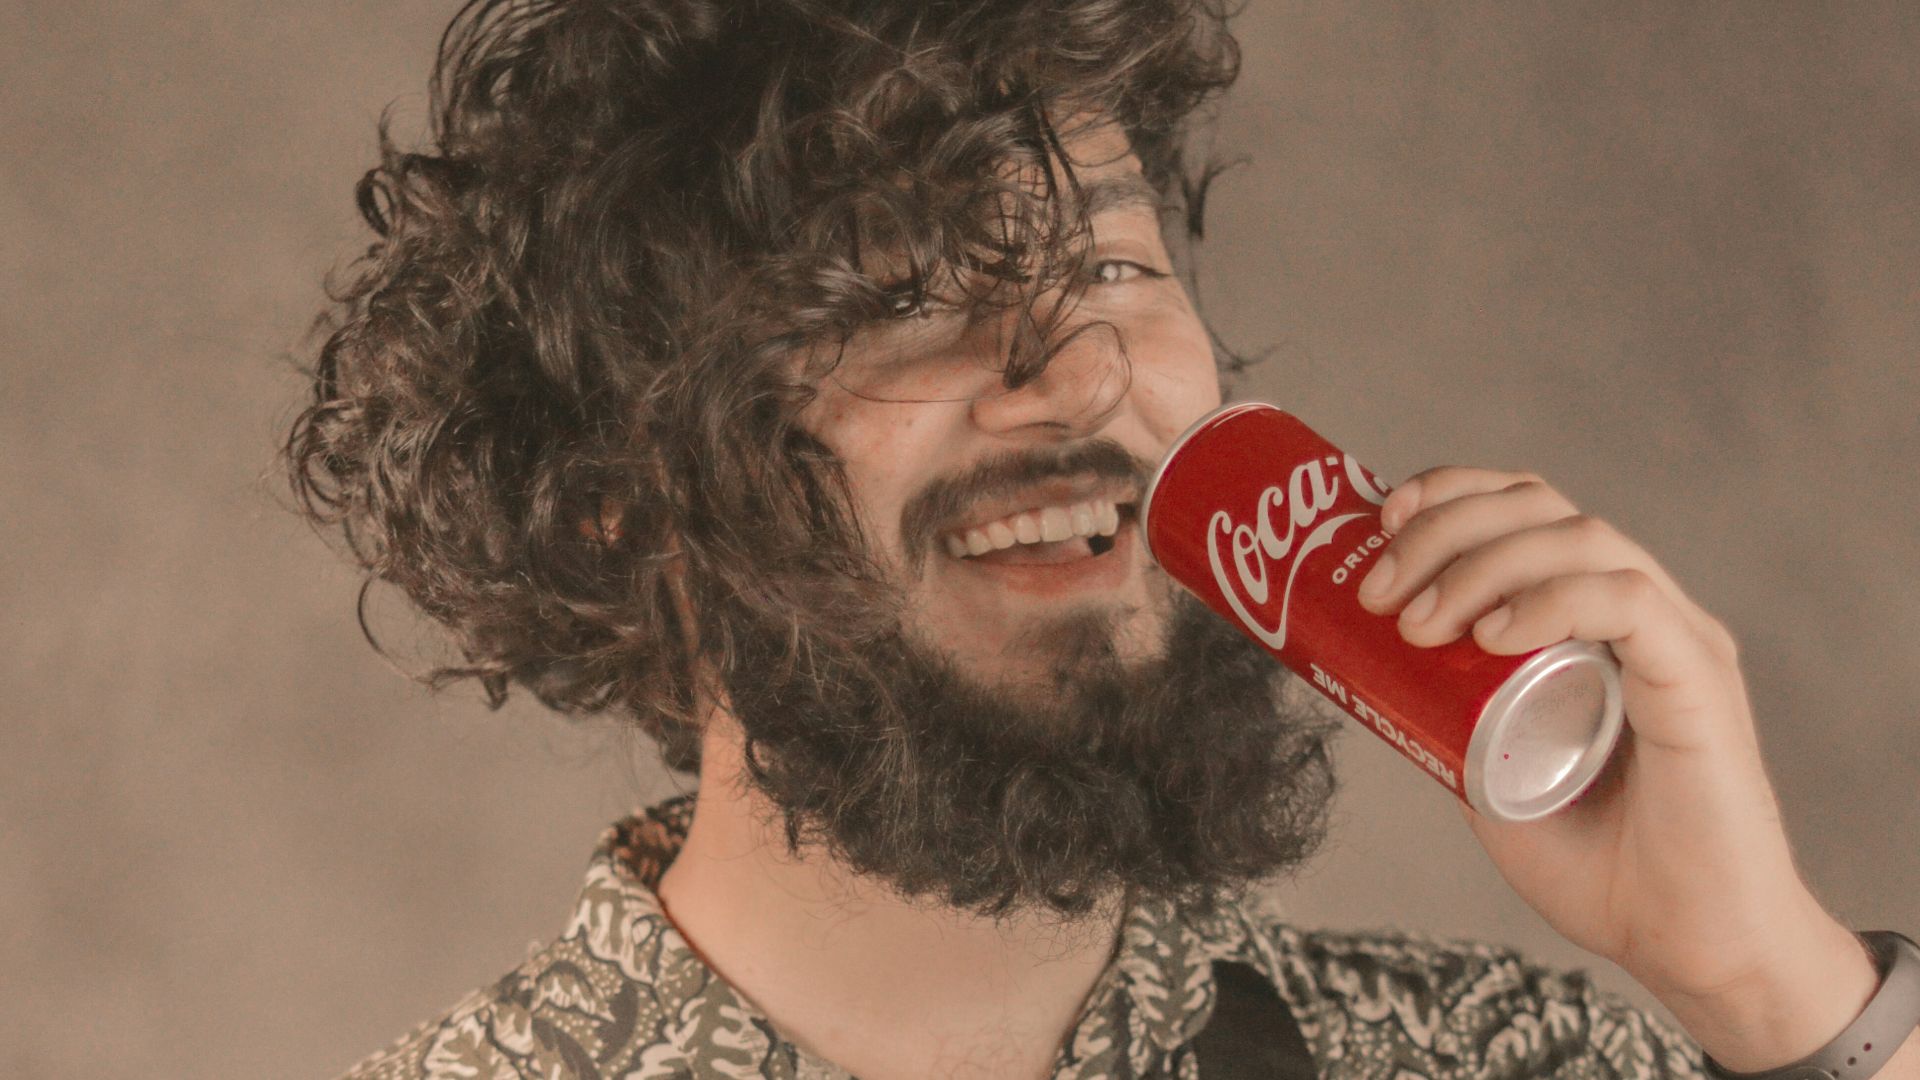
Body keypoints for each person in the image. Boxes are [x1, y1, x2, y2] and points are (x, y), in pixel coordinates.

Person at [287, 1, 1918, 1077]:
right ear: (617, 498)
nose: (1078, 368)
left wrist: (1773, 988)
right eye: (897, 296)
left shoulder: (1507, 1061)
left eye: (1120, 269)